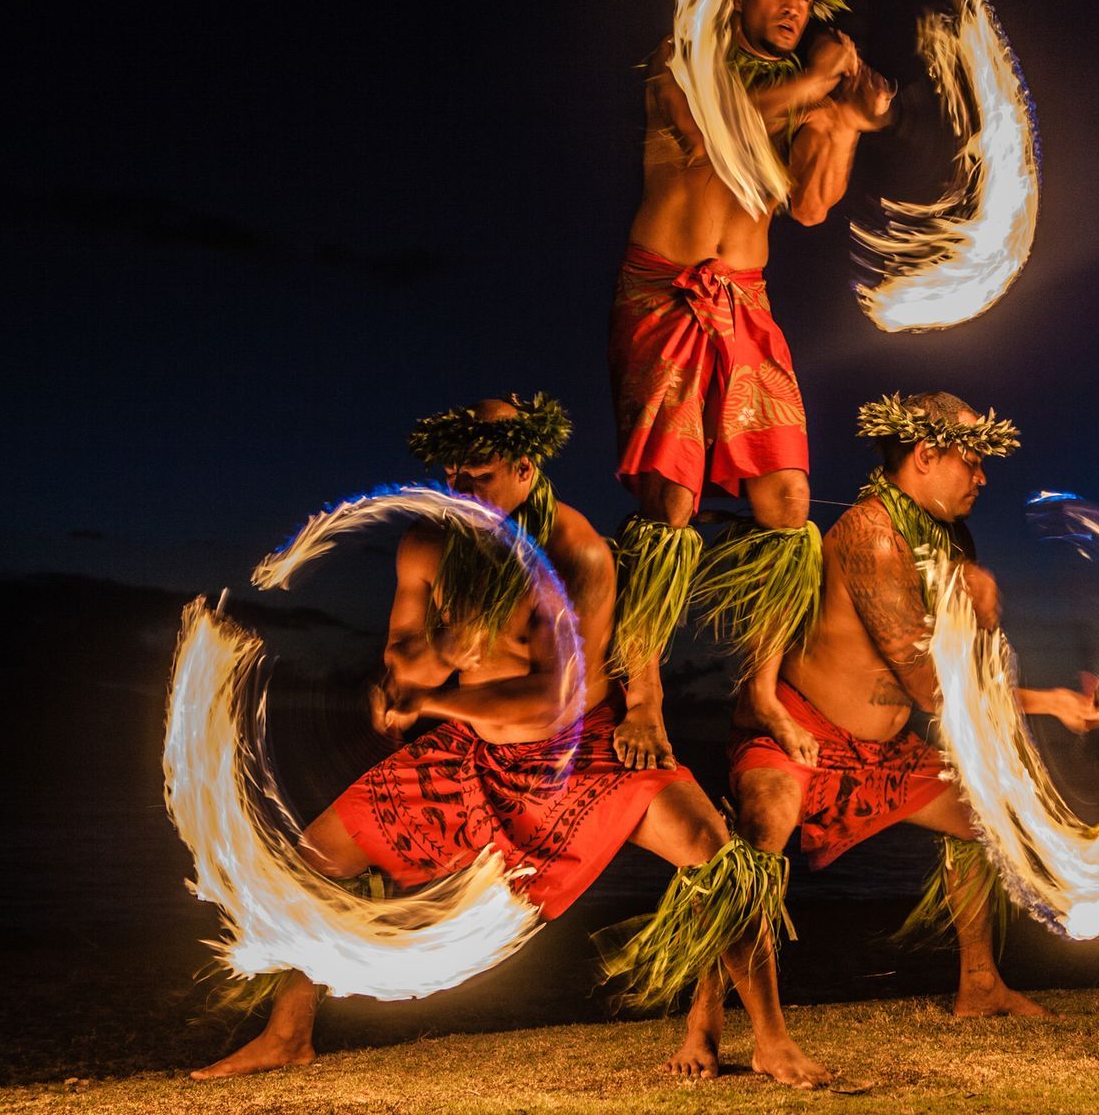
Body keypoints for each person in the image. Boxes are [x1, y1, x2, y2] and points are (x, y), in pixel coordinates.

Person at [192, 395, 826, 1088]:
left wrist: (433, 695)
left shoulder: (574, 552)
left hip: (586, 752)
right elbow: (403, 657)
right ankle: (287, 1034)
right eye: (454, 477)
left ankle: (769, 1039)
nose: (461, 491)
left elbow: (547, 705)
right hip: (473, 751)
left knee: (719, 858)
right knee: (314, 859)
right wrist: (442, 651)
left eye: (481, 476)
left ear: (526, 468)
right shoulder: (429, 544)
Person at [669, 392, 1099, 1055]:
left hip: (883, 753)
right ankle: (714, 1020)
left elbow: (960, 655)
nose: (983, 476)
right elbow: (931, 685)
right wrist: (1047, 702)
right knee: (756, 847)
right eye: (972, 460)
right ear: (926, 455)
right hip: (799, 734)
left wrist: (981, 611)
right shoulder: (873, 535)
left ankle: (980, 984)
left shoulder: (947, 539)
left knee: (978, 819)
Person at [607, 0, 894, 772]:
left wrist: (843, 122)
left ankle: (759, 688)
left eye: (807, 0)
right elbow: (718, 132)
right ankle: (647, 694)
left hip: (750, 307)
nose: (795, 9)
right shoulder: (683, 61)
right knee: (671, 503)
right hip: (664, 297)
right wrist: (820, 81)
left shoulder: (799, 95)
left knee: (788, 503)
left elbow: (807, 206)